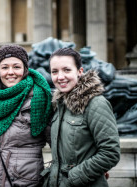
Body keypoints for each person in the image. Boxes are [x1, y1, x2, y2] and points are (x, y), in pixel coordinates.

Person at [41, 47, 120, 187]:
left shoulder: (96, 104)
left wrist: (73, 178)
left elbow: (110, 152)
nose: (60, 77)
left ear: (79, 72)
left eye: (67, 70)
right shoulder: (59, 105)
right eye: (55, 71)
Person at [0, 44, 52, 187]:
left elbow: (58, 145)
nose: (10, 72)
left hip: (25, 182)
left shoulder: (39, 99)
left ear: (25, 69)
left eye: (16, 67)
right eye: (5, 67)